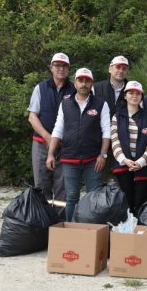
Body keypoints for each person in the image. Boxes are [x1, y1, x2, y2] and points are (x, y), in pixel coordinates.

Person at [46, 68, 110, 221]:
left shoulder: (101, 104)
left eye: (87, 81)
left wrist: (103, 154)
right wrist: (50, 154)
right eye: (80, 80)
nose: (84, 84)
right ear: (75, 83)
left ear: (91, 84)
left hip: (94, 159)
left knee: (93, 197)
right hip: (70, 158)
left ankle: (93, 232)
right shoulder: (65, 103)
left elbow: (107, 131)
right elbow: (58, 129)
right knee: (72, 198)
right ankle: (71, 230)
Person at [27, 52, 76, 201]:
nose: (61, 69)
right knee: (41, 186)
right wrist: (48, 137)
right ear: (51, 67)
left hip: (66, 146)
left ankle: (59, 223)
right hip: (41, 144)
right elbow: (32, 116)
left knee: (64, 188)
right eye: (57, 65)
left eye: (64, 66)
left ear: (69, 69)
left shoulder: (75, 89)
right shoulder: (40, 88)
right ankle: (42, 222)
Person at [110, 81, 147, 215]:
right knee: (126, 203)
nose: (134, 96)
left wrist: (141, 162)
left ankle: (140, 233)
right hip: (123, 166)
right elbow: (115, 141)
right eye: (131, 93)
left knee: (141, 203)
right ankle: (126, 233)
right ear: (125, 95)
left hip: (144, 167)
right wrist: (124, 160)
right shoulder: (117, 116)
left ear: (142, 96)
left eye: (138, 93)